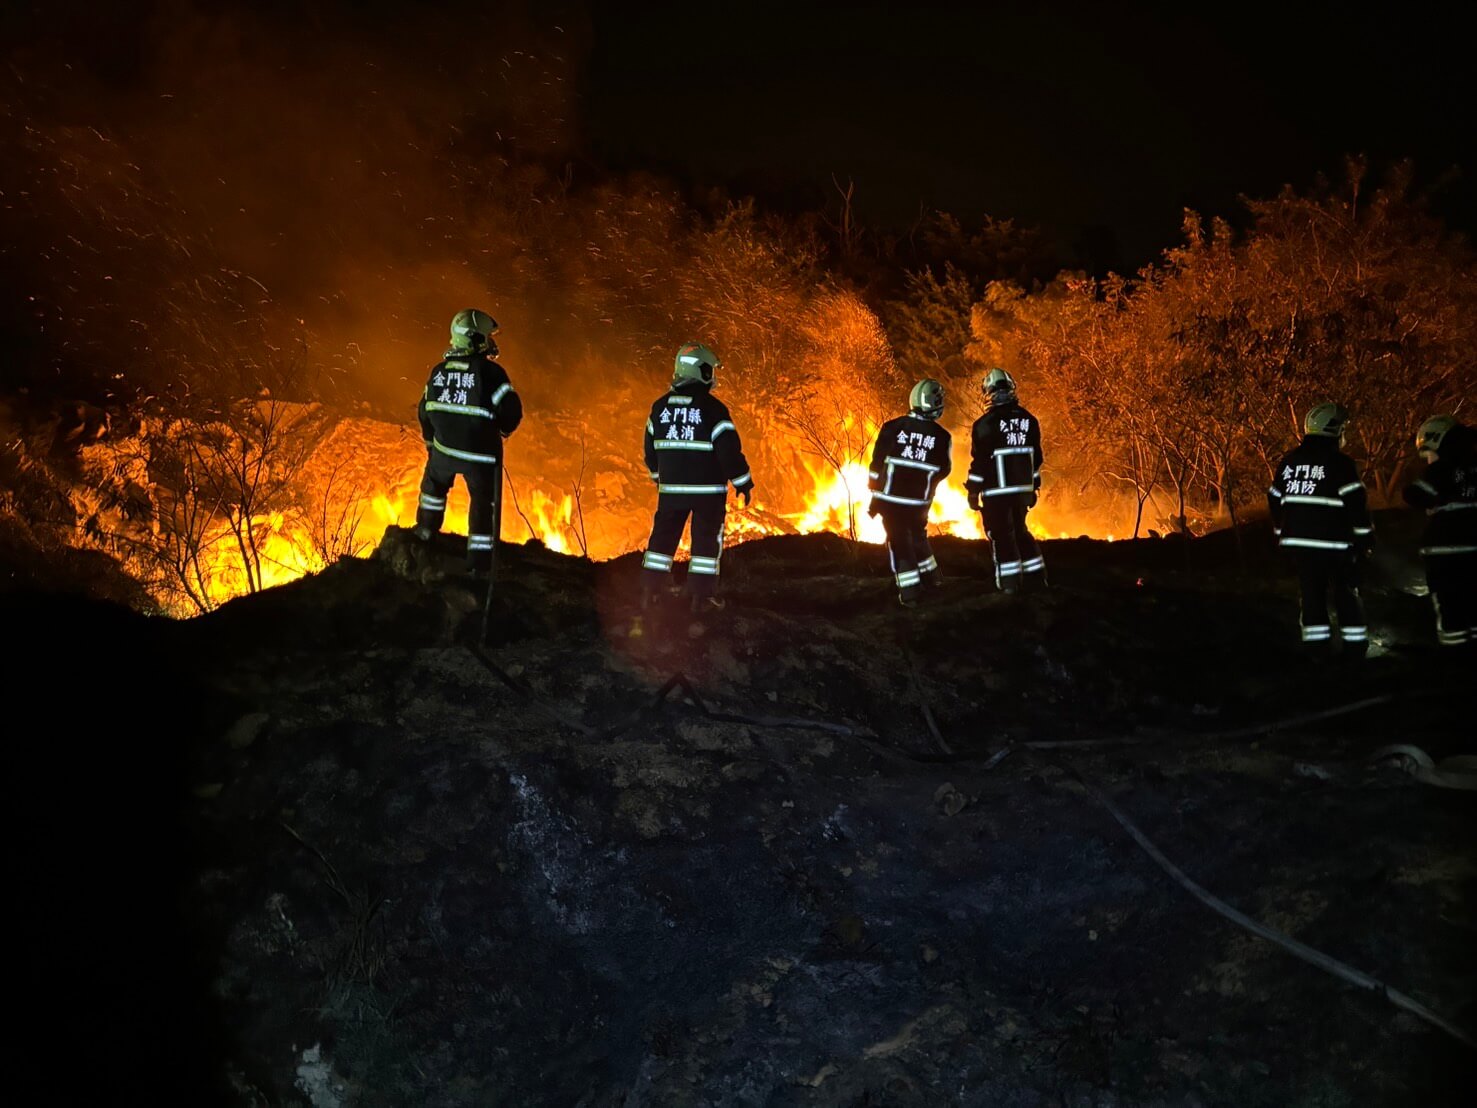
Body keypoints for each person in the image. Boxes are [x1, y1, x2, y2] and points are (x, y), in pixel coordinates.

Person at [639, 342, 754, 616]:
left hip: (671, 492)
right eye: (711, 370)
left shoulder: (659, 408)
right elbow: (729, 452)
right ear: (700, 371)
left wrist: (660, 480)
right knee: (705, 544)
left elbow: (650, 451)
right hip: (708, 493)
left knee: (662, 540)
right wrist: (743, 481)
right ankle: (701, 599)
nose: (713, 376)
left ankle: (650, 593)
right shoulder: (713, 410)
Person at [414, 308, 523, 577]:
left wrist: (431, 444)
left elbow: (424, 411)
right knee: (483, 504)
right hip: (481, 457)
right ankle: (479, 563)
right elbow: (511, 412)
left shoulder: (438, 373)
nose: (490, 342)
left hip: (443, 452)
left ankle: (425, 533)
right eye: (486, 336)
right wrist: (503, 431)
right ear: (474, 338)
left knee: (433, 489)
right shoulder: (491, 374)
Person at [1265, 402, 1373, 661]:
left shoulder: (1289, 462)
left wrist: (1281, 531)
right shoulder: (1341, 464)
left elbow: (1274, 497)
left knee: (1311, 596)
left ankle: (1316, 651)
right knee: (1346, 594)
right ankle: (1354, 650)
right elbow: (1356, 504)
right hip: (1335, 546)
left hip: (1301, 547)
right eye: (1344, 429)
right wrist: (1365, 538)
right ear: (1334, 429)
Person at [866, 378, 952, 607]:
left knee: (900, 544)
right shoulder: (942, 437)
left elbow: (876, 464)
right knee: (918, 538)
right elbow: (944, 469)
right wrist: (925, 484)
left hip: (890, 501)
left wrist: (874, 490)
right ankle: (934, 580)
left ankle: (910, 594)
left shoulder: (893, 427)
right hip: (919, 503)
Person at [1401, 415, 1477, 652]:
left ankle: (1455, 654)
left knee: (1449, 603)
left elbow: (1416, 495)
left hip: (1444, 549)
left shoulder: (1441, 469)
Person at [966, 368, 1045, 593]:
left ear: (988, 393)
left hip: (996, 493)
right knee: (1020, 532)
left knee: (1001, 536)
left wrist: (973, 491)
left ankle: (1010, 587)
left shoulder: (985, 424)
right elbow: (1036, 459)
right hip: (1021, 491)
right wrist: (1033, 487)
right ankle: (1037, 581)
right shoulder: (1029, 420)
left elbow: (979, 462)